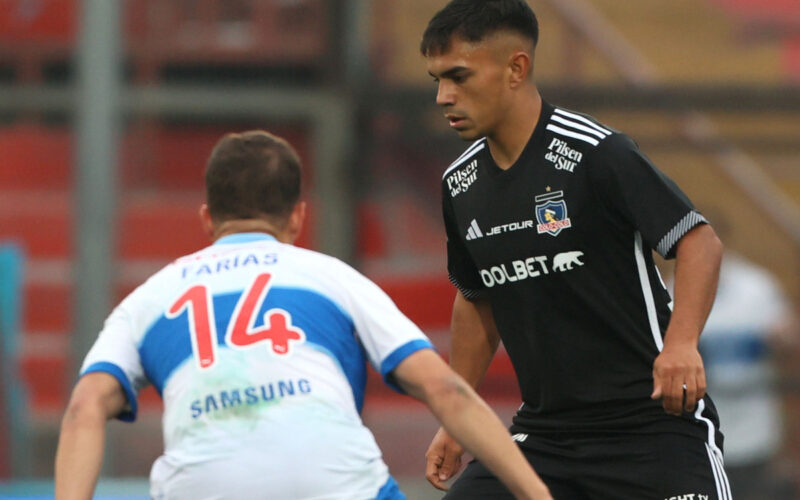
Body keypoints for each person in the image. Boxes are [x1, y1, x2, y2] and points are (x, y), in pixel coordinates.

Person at [54, 131, 553, 500]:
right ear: (297, 216)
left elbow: (84, 408)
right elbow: (442, 388)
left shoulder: (149, 298)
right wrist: (536, 495)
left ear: (207, 219)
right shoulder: (332, 278)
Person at [421, 1, 729, 498]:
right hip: (545, 437)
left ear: (516, 68)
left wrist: (681, 344)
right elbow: (476, 299)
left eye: (458, 76)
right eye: (436, 79)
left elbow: (698, 242)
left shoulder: (596, 153)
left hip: (651, 427)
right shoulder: (459, 183)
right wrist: (459, 417)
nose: (443, 96)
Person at [692, 214, 799, 500]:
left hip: (755, 429)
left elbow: (790, 343)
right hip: (699, 432)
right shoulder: (669, 291)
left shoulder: (758, 288)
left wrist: (784, 338)